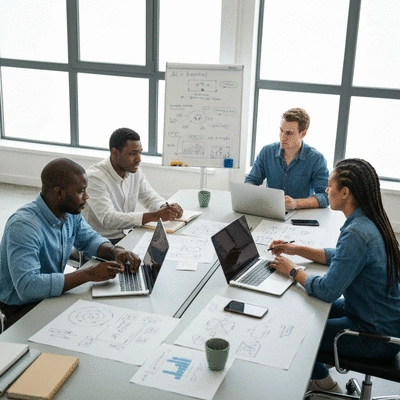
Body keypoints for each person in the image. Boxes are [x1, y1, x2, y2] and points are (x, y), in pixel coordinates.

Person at [269, 158, 400, 393]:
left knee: (297, 333)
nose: (327, 190)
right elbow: (339, 256)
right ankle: (322, 363)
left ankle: (325, 387)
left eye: (330, 185)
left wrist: (292, 270)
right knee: (306, 310)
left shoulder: (357, 233)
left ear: (345, 192)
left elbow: (328, 291)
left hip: (375, 336)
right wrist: (296, 249)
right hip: (375, 317)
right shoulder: (368, 220)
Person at [0, 158, 141, 329]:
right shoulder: (23, 227)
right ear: (59, 193)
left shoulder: (69, 212)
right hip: (21, 308)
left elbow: (89, 239)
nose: (86, 196)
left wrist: (115, 251)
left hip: (50, 297)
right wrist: (89, 274)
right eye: (81, 191)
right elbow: (28, 286)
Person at [82, 127, 183, 243]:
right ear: (115, 153)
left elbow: (150, 197)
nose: (138, 159)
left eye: (140, 153)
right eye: (132, 154)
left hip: (127, 235)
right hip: (101, 242)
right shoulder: (95, 177)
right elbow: (108, 218)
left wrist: (166, 208)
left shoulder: (134, 171)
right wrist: (154, 216)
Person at [245, 107, 329, 210]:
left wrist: (296, 203)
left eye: (289, 133)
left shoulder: (316, 159)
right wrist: (248, 192)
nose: (283, 137)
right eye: (281, 130)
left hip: (301, 215)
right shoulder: (267, 152)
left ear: (303, 134)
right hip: (271, 211)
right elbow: (252, 180)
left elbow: (325, 197)